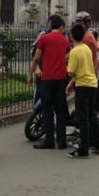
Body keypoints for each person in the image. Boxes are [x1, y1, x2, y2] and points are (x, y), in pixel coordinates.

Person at [28, 15, 70, 149]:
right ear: (62, 27)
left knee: (47, 110)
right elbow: (70, 55)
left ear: (50, 26)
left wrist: (30, 74)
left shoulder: (44, 39)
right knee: (61, 110)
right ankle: (62, 141)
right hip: (61, 78)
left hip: (47, 78)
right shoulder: (65, 40)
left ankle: (49, 140)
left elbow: (36, 58)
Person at [65, 23, 99, 159]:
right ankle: (98, 143)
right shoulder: (86, 48)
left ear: (71, 36)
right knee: (91, 115)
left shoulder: (74, 51)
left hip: (82, 85)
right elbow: (86, 68)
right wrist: (72, 83)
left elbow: (71, 71)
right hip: (92, 83)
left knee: (83, 118)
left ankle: (83, 150)